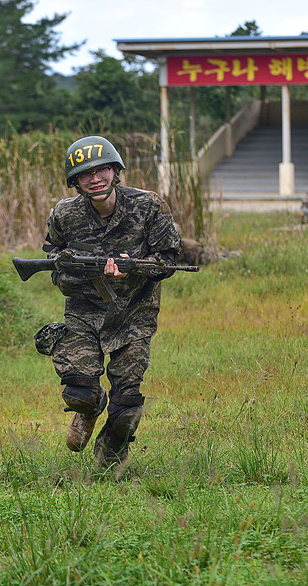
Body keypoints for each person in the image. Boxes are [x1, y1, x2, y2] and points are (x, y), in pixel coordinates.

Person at [39, 135, 181, 468]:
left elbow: (169, 261)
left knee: (127, 406)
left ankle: (109, 462)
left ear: (116, 171)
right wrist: (87, 273)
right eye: (86, 174)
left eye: (102, 170)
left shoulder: (149, 206)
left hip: (135, 314)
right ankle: (89, 409)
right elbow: (55, 269)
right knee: (79, 394)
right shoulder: (64, 215)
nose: (95, 178)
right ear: (75, 182)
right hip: (84, 312)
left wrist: (131, 268)